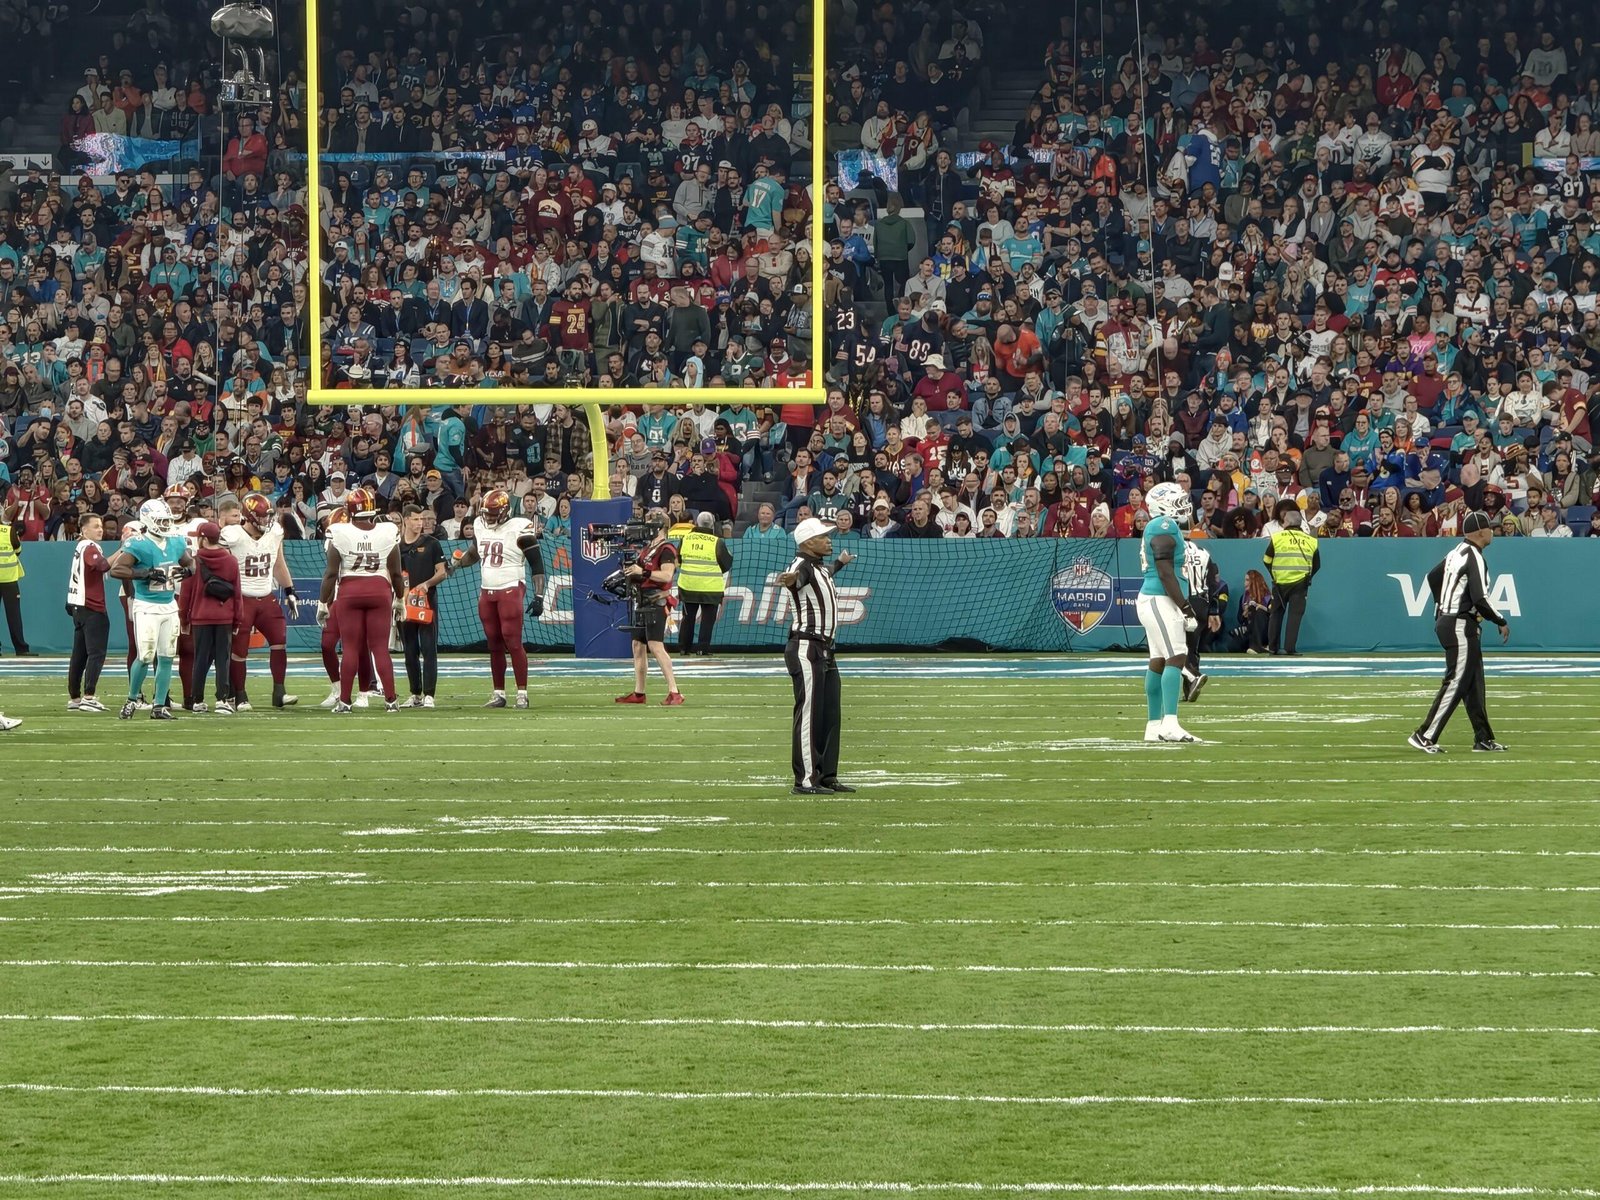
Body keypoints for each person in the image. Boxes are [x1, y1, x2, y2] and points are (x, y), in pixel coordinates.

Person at [1411, 511, 1510, 754]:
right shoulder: (1474, 556)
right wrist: (1500, 620)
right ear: (1481, 532)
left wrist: (1442, 605)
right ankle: (1424, 734)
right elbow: (1480, 598)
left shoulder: (1456, 552)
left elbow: (1432, 576)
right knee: (1456, 681)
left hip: (1451, 621)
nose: (1492, 531)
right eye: (1490, 528)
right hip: (1460, 625)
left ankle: (1483, 738)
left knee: (1473, 682)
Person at [777, 517, 856, 793]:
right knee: (809, 714)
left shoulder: (819, 566)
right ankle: (805, 779)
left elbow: (823, 574)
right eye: (823, 537)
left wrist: (840, 563)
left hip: (825, 649)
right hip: (807, 647)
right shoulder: (801, 566)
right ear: (809, 543)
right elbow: (798, 579)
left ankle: (826, 775)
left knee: (830, 713)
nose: (829, 540)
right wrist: (791, 581)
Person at [449, 488, 546, 708]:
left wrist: (539, 595)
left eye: (493, 514)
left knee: (512, 641)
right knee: (493, 643)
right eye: (487, 514)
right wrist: (458, 564)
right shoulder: (479, 524)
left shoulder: (519, 527)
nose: (489, 518)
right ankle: (498, 693)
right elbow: (475, 553)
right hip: (487, 590)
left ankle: (522, 693)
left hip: (510, 588)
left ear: (505, 511)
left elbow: (537, 563)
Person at [318, 488, 404, 714]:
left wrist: (322, 603)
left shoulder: (339, 531)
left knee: (350, 649)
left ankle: (345, 702)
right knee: (380, 649)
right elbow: (396, 573)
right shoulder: (387, 530)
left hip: (350, 591)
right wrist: (400, 598)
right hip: (379, 590)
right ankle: (391, 700)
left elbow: (330, 574)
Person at [108, 499, 192, 720]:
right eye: (160, 521)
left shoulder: (176, 541)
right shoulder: (138, 543)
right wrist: (143, 573)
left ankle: (159, 705)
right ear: (148, 520)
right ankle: (131, 699)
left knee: (167, 657)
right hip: (146, 605)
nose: (165, 524)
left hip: (169, 606)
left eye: (166, 520)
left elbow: (190, 563)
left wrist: (189, 571)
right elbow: (116, 569)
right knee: (145, 656)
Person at [218, 493, 300, 710]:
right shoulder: (232, 535)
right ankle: (240, 695)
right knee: (239, 650)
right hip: (241, 599)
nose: (266, 520)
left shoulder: (275, 532)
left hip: (266, 596)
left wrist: (290, 590)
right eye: (262, 516)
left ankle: (279, 692)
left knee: (279, 640)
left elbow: (278, 563)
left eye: (268, 516)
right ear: (249, 515)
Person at [1136, 482, 1201, 743]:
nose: (1183, 505)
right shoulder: (1163, 525)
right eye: (1177, 501)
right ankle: (1170, 724)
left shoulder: (1161, 525)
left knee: (1159, 660)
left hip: (1155, 598)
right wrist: (1184, 605)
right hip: (1160, 598)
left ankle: (1153, 726)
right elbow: (1165, 572)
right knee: (1177, 656)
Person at [614, 509, 685, 706]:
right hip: (642, 600)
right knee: (638, 646)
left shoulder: (666, 549)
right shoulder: (648, 548)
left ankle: (674, 691)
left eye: (649, 523)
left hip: (656, 601)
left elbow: (666, 575)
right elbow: (637, 571)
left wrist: (643, 572)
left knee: (656, 646)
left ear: (658, 526)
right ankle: (639, 692)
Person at [315, 510, 379, 709]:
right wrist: (324, 602)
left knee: (361, 647)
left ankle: (363, 692)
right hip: (337, 598)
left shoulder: (360, 540)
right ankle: (337, 689)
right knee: (327, 644)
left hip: (354, 596)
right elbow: (331, 574)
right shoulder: (333, 541)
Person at [181, 521, 244, 715]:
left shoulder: (194, 561)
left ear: (203, 539)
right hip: (224, 617)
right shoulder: (231, 560)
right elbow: (237, 593)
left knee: (200, 659)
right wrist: (238, 619)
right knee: (223, 659)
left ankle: (197, 700)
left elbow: (185, 594)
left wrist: (184, 619)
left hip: (200, 617)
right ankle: (222, 699)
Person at [398, 504, 447, 708]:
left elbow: (442, 572)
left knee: (428, 649)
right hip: (404, 603)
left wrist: (426, 584)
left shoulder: (432, 543)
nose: (420, 523)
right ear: (406, 520)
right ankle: (415, 693)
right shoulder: (396, 546)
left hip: (427, 602)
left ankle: (429, 694)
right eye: (416, 519)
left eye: (422, 519)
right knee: (409, 651)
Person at [66, 513, 113, 713]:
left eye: (101, 526)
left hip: (78, 606)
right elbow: (102, 565)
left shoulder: (80, 546)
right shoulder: (89, 546)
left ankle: (75, 697)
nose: (100, 529)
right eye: (96, 526)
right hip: (92, 606)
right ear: (84, 530)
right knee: (96, 653)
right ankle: (89, 696)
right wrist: (123, 550)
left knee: (79, 654)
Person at [1262, 500, 1320, 656]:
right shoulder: (1312, 541)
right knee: (1295, 616)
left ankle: (1273, 648)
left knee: (1276, 614)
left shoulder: (1277, 538)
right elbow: (1317, 565)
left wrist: (1274, 574)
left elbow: (1266, 560)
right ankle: (1289, 648)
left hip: (1279, 583)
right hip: (1300, 584)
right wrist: (1307, 577)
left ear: (1286, 522)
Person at [676, 511, 732, 656]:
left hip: (688, 586)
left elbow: (679, 560)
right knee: (708, 620)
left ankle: (684, 648)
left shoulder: (685, 539)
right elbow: (726, 564)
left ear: (696, 523)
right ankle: (702, 648)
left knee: (688, 618)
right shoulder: (717, 542)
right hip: (711, 588)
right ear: (712, 525)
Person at [1181, 527, 1227, 703]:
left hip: (1183, 601)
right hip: (1202, 603)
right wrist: (1213, 610)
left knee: (1175, 647)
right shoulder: (1203, 552)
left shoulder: (1174, 551)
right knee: (1192, 648)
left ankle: (1193, 677)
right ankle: (1189, 690)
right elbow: (1214, 583)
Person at [0, 503, 31, 656]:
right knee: (14, 616)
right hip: (9, 580)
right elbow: (18, 550)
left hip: (9, 580)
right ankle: (21, 648)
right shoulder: (9, 530)